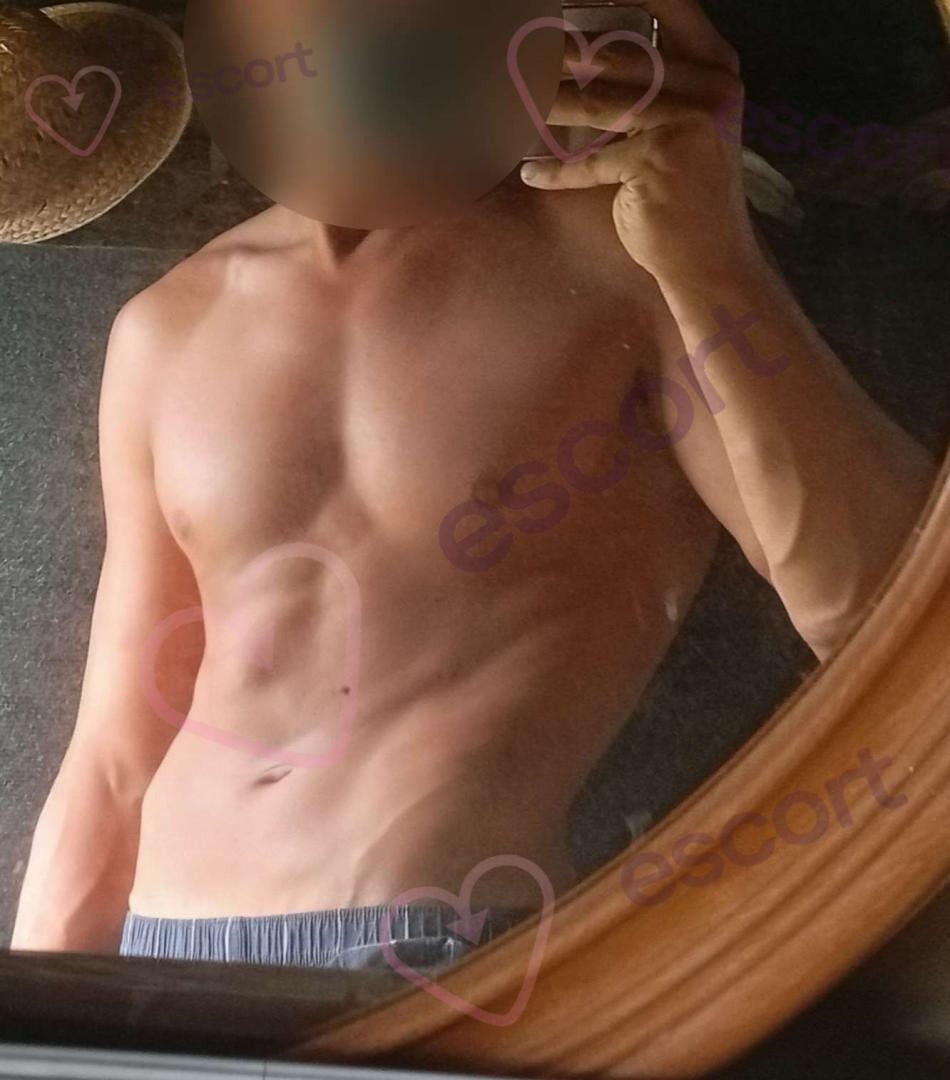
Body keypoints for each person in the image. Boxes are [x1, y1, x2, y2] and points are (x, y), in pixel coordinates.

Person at [11, 0, 934, 969]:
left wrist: (715, 256)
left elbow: (887, 620)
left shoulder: (627, 258)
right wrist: (35, 1000)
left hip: (439, 948)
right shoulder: (163, 327)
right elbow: (111, 756)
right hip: (158, 948)